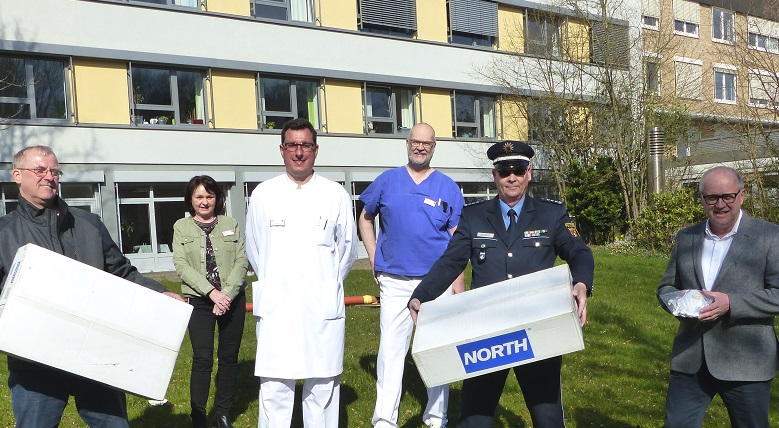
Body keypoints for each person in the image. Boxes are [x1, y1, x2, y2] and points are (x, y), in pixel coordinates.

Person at [408, 140, 594, 428]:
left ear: (528, 173)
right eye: (505, 170)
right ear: (494, 175)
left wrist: (581, 283)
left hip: (538, 327)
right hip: (486, 333)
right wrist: (421, 296)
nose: (512, 177)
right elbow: (450, 263)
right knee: (474, 419)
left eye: (518, 170)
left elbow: (579, 252)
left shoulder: (552, 214)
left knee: (548, 419)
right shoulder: (473, 216)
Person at [0, 145, 185, 427]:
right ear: (17, 175)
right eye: (39, 170)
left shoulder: (88, 224)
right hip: (34, 365)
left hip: (97, 355)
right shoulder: (4, 233)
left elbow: (121, 271)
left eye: (54, 171)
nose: (49, 176)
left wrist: (160, 293)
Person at [245, 118, 357, 428]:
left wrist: (324, 285)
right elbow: (255, 249)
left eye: (305, 145)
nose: (298, 152)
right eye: (292, 145)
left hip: (321, 304)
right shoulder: (263, 195)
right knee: (275, 387)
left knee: (322, 387)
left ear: (316, 150)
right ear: (281, 150)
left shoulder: (335, 195)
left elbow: (347, 252)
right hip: (276, 304)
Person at [358, 122, 464, 428]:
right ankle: (384, 421)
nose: (420, 147)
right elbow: (365, 219)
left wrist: (458, 281)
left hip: (437, 281)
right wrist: (375, 257)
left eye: (427, 143)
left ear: (434, 147)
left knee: (437, 349)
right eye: (416, 142)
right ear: (407, 143)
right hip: (395, 281)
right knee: (391, 350)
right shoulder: (387, 181)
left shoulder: (448, 187)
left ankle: (436, 417)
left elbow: (458, 238)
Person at [657, 166, 779, 428]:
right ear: (701, 199)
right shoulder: (686, 237)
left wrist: (732, 303)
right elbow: (666, 288)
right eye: (712, 198)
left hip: (747, 361)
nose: (720, 204)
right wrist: (681, 303)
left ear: (742, 195)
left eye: (728, 196)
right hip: (691, 358)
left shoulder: (769, 236)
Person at [172, 175, 248, 428]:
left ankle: (223, 414)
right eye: (199, 197)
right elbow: (182, 267)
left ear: (217, 198)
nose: (205, 202)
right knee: (202, 358)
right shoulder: (181, 228)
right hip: (200, 300)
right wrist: (212, 293)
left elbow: (241, 261)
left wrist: (226, 294)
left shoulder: (231, 224)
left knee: (229, 357)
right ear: (190, 200)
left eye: (210, 196)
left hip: (232, 300)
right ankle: (198, 415)